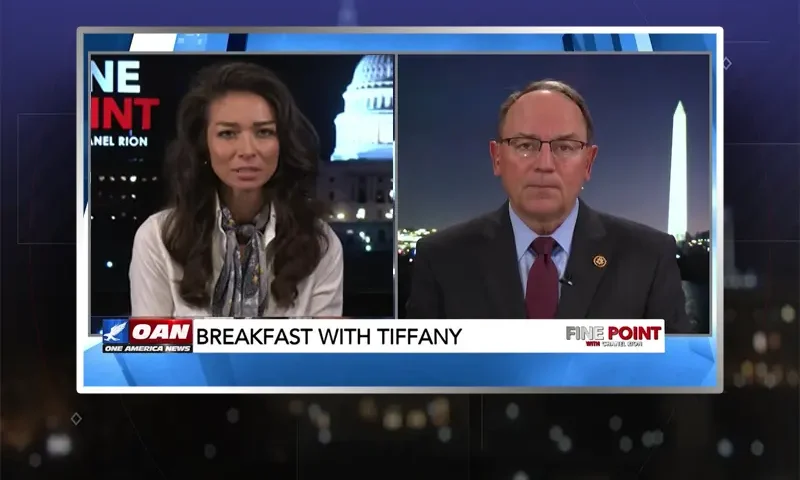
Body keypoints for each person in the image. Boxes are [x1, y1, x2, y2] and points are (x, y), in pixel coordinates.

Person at [406, 79, 692, 333]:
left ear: (589, 163)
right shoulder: (441, 259)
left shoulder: (648, 258)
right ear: (496, 158)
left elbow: (677, 382)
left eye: (565, 147)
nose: (544, 165)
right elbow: (421, 381)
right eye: (524, 145)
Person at [129, 62, 343, 318]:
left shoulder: (321, 243)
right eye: (228, 133)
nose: (248, 150)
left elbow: (324, 354)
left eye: (264, 132)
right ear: (203, 144)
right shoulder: (158, 237)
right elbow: (149, 350)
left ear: (282, 143)